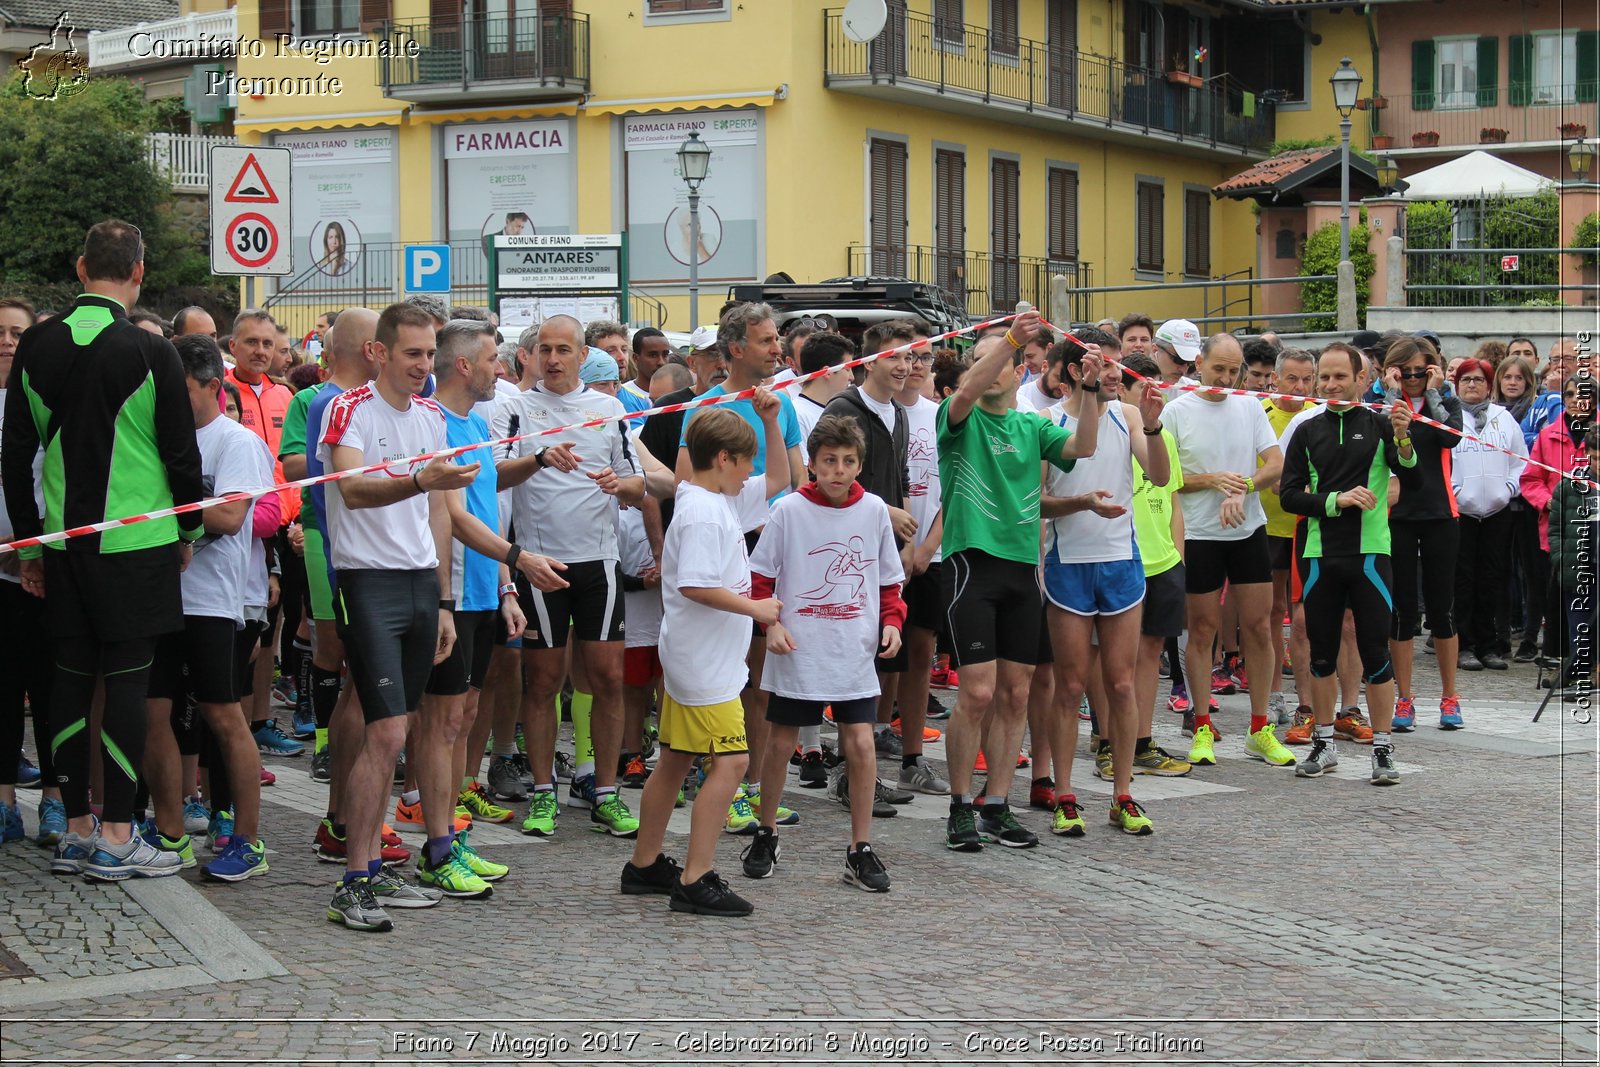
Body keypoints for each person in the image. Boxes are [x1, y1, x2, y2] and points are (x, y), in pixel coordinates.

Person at [3, 219, 206, 880]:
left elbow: (16, 457)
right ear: (139, 272)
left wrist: (31, 544)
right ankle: (119, 833)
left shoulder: (34, 344)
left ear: (82, 268)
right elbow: (183, 458)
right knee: (125, 686)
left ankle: (77, 828)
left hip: (62, 543)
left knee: (66, 680)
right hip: (136, 545)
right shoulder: (152, 352)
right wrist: (188, 534)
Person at [318, 302, 480, 931]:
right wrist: (419, 481)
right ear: (379, 353)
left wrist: (443, 601)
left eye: (430, 352)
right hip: (366, 584)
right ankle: (354, 878)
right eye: (412, 353)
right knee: (385, 733)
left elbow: (440, 513)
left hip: (419, 585)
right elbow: (353, 489)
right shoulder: (348, 407)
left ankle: (376, 868)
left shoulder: (434, 417)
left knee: (406, 729)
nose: (424, 365)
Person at [936, 310, 1102, 853]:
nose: (994, 367)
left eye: (1003, 360)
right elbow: (966, 394)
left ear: (1018, 374)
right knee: (978, 692)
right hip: (971, 565)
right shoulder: (957, 417)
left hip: (1022, 571)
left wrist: (1094, 390)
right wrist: (1007, 342)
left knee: (1016, 694)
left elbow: (1081, 449)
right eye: (982, 361)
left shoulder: (1031, 425)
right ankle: (960, 806)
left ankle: (997, 805)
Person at [621, 405, 789, 916]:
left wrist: (771, 420)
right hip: (702, 664)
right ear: (723, 458)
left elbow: (782, 477)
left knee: (674, 758)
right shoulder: (700, 511)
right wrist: (756, 608)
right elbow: (694, 584)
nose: (750, 472)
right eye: (745, 462)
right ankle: (696, 878)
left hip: (704, 659)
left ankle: (645, 864)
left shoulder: (718, 497)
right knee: (733, 761)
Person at [498, 315, 645, 839]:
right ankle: (543, 793)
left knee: (607, 679)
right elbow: (494, 475)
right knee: (542, 682)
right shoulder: (514, 408)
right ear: (531, 354)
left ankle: (605, 791)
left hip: (599, 563)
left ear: (584, 356)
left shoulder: (608, 408)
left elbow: (637, 483)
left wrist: (619, 484)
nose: (554, 359)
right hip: (540, 563)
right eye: (545, 349)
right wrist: (538, 459)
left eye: (564, 349)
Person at [744, 414, 906, 888]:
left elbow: (889, 582)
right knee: (780, 742)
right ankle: (766, 831)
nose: (838, 470)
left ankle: (860, 847)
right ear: (812, 464)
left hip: (852, 649)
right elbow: (759, 579)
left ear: (860, 465)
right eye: (829, 461)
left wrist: (892, 624)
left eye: (848, 461)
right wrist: (769, 625)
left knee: (859, 742)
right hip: (799, 648)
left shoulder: (874, 510)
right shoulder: (789, 510)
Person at [142, 334, 272, 881]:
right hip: (158, 598)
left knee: (223, 715)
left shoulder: (234, 442)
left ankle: (247, 839)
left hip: (214, 600)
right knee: (153, 714)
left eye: (183, 390)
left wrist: (170, 507)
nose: (171, 400)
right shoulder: (155, 437)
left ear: (213, 388)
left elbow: (229, 518)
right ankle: (171, 831)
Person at [1039, 328, 1169, 837]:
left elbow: (1157, 477)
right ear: (1077, 371)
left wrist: (1155, 428)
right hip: (1068, 562)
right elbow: (1039, 500)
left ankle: (1123, 795)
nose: (1118, 374)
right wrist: (1081, 503)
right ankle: (1065, 795)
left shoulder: (1130, 414)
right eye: (1107, 365)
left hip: (1121, 561)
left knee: (1120, 682)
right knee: (1070, 684)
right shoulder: (1045, 422)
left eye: (1119, 365)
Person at [1278, 342, 1421, 784]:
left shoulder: (1379, 424)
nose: (1330, 385)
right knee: (1321, 654)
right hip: (1321, 554)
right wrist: (1336, 501)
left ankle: (1382, 749)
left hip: (1371, 554)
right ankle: (1323, 744)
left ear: (1362, 379)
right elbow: (1289, 495)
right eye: (1325, 377)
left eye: (1340, 377)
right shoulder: (1306, 430)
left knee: (1376, 653)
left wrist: (1402, 436)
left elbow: (1411, 471)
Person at [1164, 334, 1294, 769]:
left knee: (1258, 626)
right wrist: (1210, 480)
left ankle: (1260, 729)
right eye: (1217, 368)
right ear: (1198, 363)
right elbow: (1164, 474)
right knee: (1202, 631)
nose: (1225, 377)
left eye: (1232, 370)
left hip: (1247, 530)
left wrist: (1243, 487)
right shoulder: (1177, 409)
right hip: (1198, 534)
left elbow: (1275, 464)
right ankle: (1201, 724)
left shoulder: (1249, 405)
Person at [0, 296, 63, 847]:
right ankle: (3, 802)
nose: (6, 341)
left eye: (16, 332)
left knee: (50, 688)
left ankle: (54, 798)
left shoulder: (49, 399)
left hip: (42, 565)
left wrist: (29, 546)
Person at [1379, 337, 1465, 731]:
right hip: (1397, 515)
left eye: (1421, 371)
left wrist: (1433, 393)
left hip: (1440, 514)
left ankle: (1450, 697)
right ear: (1394, 371)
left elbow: (1450, 436)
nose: (1413, 379)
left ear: (1432, 370)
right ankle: (1404, 699)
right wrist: (1392, 394)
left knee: (1442, 610)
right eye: (1406, 372)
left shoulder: (1446, 402)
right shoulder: (1381, 404)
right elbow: (1388, 451)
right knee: (1402, 613)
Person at [1449, 358, 1527, 672]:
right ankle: (1464, 645)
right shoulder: (1449, 417)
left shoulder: (1503, 418)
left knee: (1492, 579)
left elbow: (1520, 460)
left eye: (1479, 380)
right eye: (1466, 379)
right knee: (1463, 580)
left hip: (1497, 511)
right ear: (1457, 385)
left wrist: (1508, 488)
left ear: (1488, 385)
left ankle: (1489, 645)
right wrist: (1454, 492)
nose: (1472, 385)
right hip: (1461, 513)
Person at [1259, 348, 1318, 726]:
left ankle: (1307, 697)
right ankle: (1273, 691)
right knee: (1270, 610)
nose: (1298, 386)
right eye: (1291, 378)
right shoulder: (1259, 409)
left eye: (1305, 379)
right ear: (1275, 379)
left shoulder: (1317, 411)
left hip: (1305, 524)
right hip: (1266, 523)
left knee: (1303, 615)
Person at [1547, 433, 1600, 695]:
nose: (1598, 463)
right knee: (1579, 627)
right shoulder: (1569, 485)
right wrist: (1558, 557)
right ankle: (1578, 675)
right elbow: (1554, 528)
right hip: (1577, 568)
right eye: (1595, 458)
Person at [792, 332, 854, 460]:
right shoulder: (797, 415)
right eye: (847, 369)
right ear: (827, 372)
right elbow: (802, 475)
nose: (852, 377)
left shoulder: (844, 412)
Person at [620, 328, 671, 415]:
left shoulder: (676, 392)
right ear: (636, 358)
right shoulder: (623, 395)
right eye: (653, 355)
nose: (661, 362)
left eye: (665, 355)